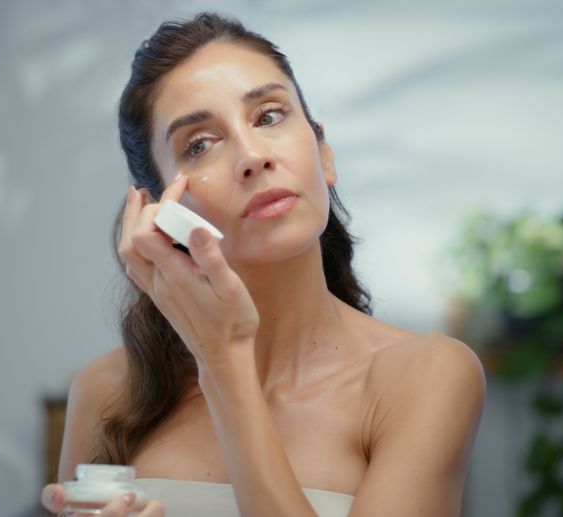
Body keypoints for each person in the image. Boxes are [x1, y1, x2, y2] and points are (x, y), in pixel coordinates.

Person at [41, 12, 485, 517]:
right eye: (200, 145)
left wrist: (225, 364)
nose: (252, 155)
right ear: (161, 212)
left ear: (323, 152)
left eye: (269, 116)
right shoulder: (106, 393)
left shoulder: (423, 376)